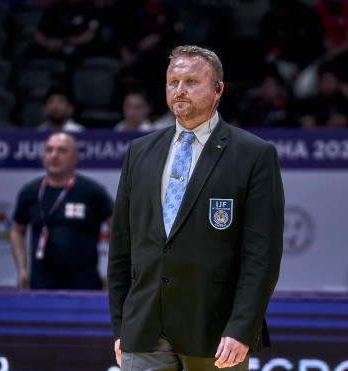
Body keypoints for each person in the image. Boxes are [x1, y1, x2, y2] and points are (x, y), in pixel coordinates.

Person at [107, 45, 284, 370]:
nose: (179, 90)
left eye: (191, 81)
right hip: (143, 328)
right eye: (172, 82)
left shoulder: (253, 154)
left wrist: (243, 328)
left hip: (214, 331)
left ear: (218, 90)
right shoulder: (139, 151)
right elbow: (121, 247)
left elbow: (262, 256)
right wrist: (120, 326)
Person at [10, 132, 114, 290]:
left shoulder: (92, 192)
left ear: (75, 158)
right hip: (40, 286)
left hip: (84, 287)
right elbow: (17, 231)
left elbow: (120, 230)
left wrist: (113, 273)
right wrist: (22, 269)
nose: (54, 155)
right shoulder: (30, 192)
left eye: (62, 150)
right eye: (49, 150)